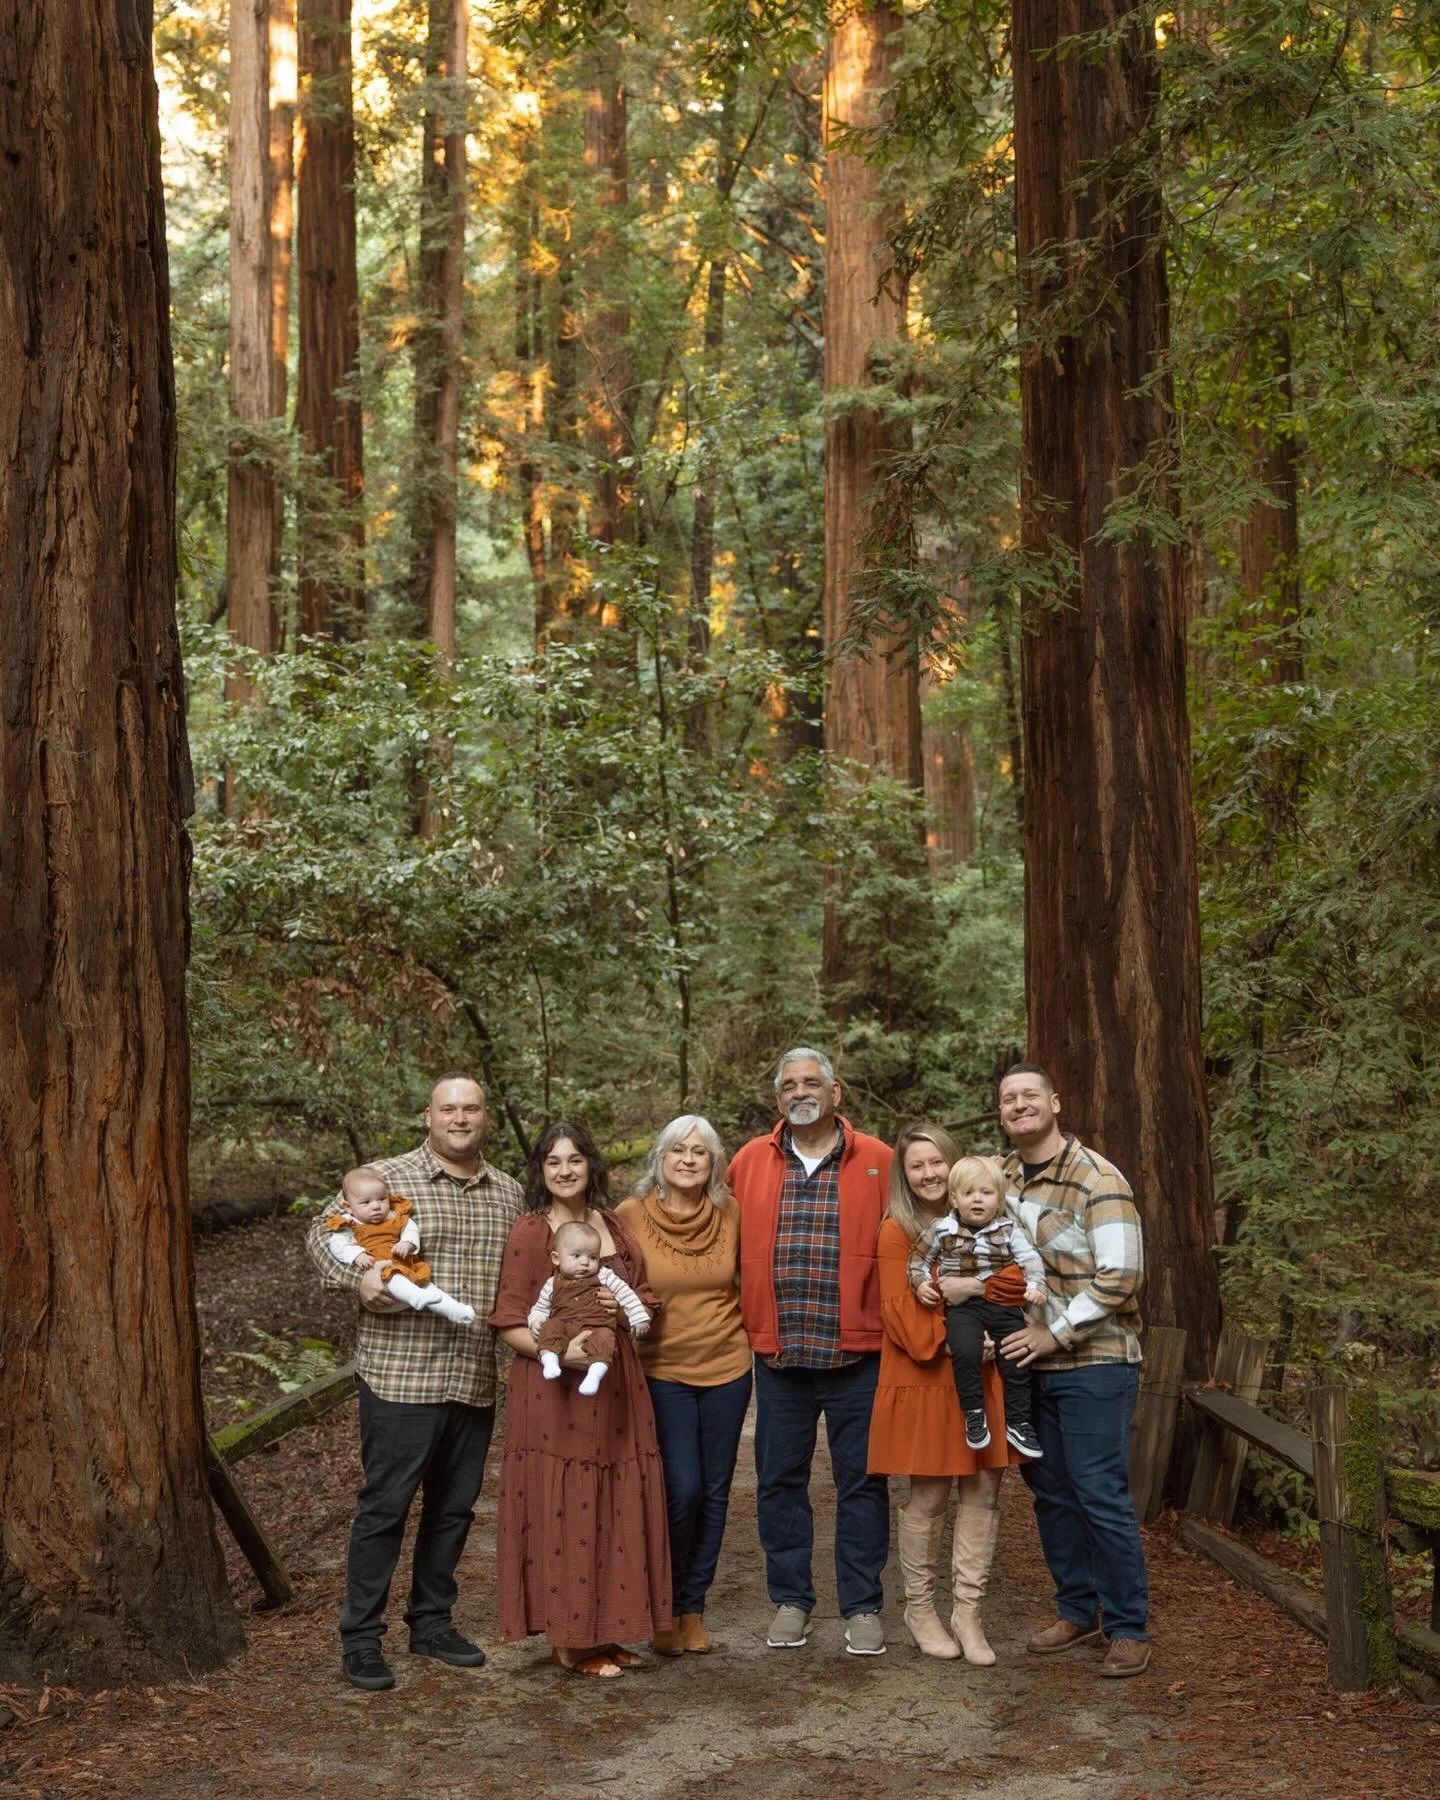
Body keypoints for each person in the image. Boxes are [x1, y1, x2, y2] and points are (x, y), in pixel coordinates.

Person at [305, 1074, 523, 1693]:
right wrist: (358, 1280)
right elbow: (321, 1235)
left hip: (472, 1375)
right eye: (448, 1108)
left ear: (486, 1117)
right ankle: (361, 1638)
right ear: (428, 1117)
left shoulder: (507, 1192)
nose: (460, 1118)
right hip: (401, 1374)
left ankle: (431, 1624)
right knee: (385, 1508)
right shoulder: (384, 1177)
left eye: (471, 1108)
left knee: (453, 1510)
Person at [488, 1120, 671, 1678]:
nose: (565, 1170)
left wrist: (631, 1311)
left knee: (614, 1500)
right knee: (565, 1503)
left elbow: (639, 1296)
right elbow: (510, 1320)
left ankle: (605, 1630)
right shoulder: (530, 1232)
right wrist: (563, 1353)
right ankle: (569, 1639)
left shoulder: (613, 1225)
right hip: (553, 1394)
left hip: (616, 1389)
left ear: (591, 1164)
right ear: (541, 1171)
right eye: (553, 1162)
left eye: (574, 1159)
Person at [729, 1048, 892, 1657]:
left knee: (863, 1483)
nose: (801, 1092)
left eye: (812, 1082)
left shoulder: (878, 1159)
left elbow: (915, 1238)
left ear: (835, 1091)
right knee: (779, 1481)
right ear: (779, 1098)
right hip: (780, 1356)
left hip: (858, 1354)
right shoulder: (749, 1160)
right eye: (790, 1085)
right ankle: (791, 1599)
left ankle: (863, 1605)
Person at [994, 1063, 1151, 1679]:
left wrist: (1052, 1332)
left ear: (1055, 1102)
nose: (1019, 1105)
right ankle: (1076, 1609)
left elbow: (1120, 1277)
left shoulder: (1097, 1178)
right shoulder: (1000, 1177)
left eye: (1030, 1095)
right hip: (1030, 1364)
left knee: (1098, 1491)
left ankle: (1128, 1626)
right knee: (1051, 1492)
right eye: (1008, 1098)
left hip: (1095, 1361)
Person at [869, 1125, 1023, 1664]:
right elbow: (899, 1313)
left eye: (937, 1162)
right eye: (917, 1165)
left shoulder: (991, 1220)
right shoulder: (897, 1230)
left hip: (985, 1373)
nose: (929, 1173)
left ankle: (968, 1613)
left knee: (983, 1489)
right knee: (930, 1495)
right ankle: (920, 1610)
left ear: (954, 1165)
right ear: (904, 1175)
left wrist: (988, 1313)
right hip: (929, 1374)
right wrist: (964, 1341)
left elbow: (1016, 1282)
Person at [616, 1115, 751, 1658]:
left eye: (699, 1151)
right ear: (661, 1158)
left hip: (727, 1368)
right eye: (678, 1150)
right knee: (682, 1489)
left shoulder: (731, 1211)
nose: (688, 1159)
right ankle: (663, 1605)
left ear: (714, 1162)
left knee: (715, 1491)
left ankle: (692, 1609)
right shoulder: (630, 1215)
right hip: (661, 1369)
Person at [911, 1154, 1046, 1459]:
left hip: (1003, 1305)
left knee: (1016, 1357)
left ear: (998, 1200)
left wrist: (1036, 1286)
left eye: (986, 1193)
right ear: (954, 1199)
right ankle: (973, 1413)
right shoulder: (941, 1229)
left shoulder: (1008, 1229)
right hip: (963, 1308)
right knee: (965, 1351)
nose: (977, 1199)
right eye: (969, 1193)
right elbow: (918, 1259)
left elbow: (1031, 1260)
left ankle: (1018, 1421)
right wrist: (920, 1284)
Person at [323, 1167, 477, 1325]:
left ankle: (456, 1310)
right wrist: (357, 1254)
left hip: (403, 1265)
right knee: (394, 1277)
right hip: (380, 1273)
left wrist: (407, 1242)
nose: (376, 1206)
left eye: (382, 1199)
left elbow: (410, 1228)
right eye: (366, 1202)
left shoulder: (395, 1217)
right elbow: (338, 1245)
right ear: (348, 1207)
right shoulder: (349, 1223)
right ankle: (416, 1297)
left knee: (428, 1287)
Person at [528, 1218, 652, 1393]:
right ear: (556, 1258)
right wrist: (536, 1321)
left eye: (593, 1257)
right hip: (564, 1325)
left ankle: (595, 1374)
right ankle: (550, 1360)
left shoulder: (604, 1275)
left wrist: (638, 1317)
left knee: (605, 1338)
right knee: (550, 1327)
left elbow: (626, 1295)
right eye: (576, 1256)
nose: (585, 1262)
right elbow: (540, 1307)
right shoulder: (552, 1283)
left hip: (597, 1325)